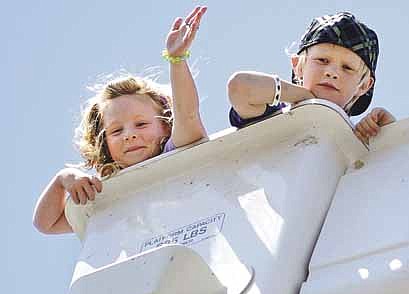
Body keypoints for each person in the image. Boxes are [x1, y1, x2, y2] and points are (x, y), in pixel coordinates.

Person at [32, 6, 207, 234]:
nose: (129, 135)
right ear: (104, 143)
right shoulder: (105, 192)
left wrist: (176, 59)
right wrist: (63, 178)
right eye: (116, 131)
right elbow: (46, 223)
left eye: (141, 124)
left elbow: (188, 113)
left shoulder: (178, 149)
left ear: (165, 124)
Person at [227, 12, 381, 130]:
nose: (332, 72)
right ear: (298, 66)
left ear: (363, 86)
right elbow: (240, 86)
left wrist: (387, 131)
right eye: (322, 60)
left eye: (347, 68)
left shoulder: (358, 138)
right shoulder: (274, 117)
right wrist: (304, 97)